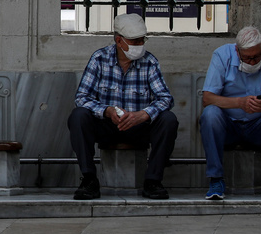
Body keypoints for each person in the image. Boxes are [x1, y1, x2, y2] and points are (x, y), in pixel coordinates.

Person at [67, 12, 178, 200]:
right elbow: (82, 97)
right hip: (107, 125)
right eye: (135, 41)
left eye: (142, 40)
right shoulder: (100, 59)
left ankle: (153, 181)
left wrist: (143, 115)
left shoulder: (149, 62)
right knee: (78, 116)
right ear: (119, 41)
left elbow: (165, 98)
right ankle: (89, 179)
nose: (140, 45)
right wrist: (107, 111)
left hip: (139, 126)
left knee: (169, 120)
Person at [199, 26, 261, 200]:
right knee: (210, 114)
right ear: (237, 51)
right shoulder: (222, 55)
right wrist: (239, 103)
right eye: (247, 58)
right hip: (228, 124)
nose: (252, 62)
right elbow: (208, 98)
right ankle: (216, 180)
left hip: (259, 125)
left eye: (257, 57)